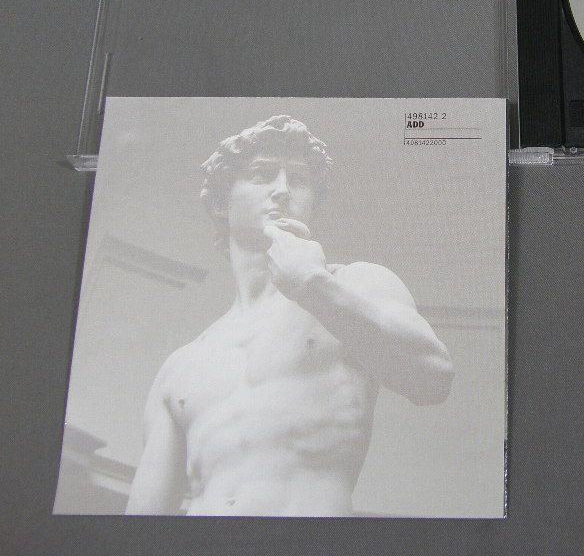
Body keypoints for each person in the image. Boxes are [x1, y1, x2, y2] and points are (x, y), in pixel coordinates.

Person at [125, 115, 453, 516]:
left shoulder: (356, 284)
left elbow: (433, 378)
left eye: (298, 180)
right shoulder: (181, 366)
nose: (282, 190)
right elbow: (142, 524)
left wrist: (313, 287)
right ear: (222, 203)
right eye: (262, 175)